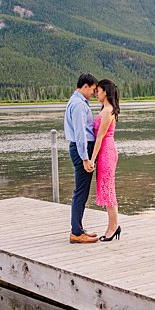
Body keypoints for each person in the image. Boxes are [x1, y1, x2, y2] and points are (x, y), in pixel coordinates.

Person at [64, 73, 100, 244]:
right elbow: (80, 134)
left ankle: (78, 228)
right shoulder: (79, 105)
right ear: (85, 86)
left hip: (81, 150)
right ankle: (76, 232)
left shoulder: (77, 101)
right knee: (81, 191)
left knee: (82, 191)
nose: (93, 93)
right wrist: (85, 158)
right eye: (93, 89)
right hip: (82, 150)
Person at [91, 79, 124, 242]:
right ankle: (112, 226)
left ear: (105, 92)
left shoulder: (107, 111)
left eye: (98, 90)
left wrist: (92, 159)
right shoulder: (107, 109)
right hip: (107, 151)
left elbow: (100, 138)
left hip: (106, 152)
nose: (96, 93)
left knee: (109, 190)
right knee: (108, 189)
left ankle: (113, 227)